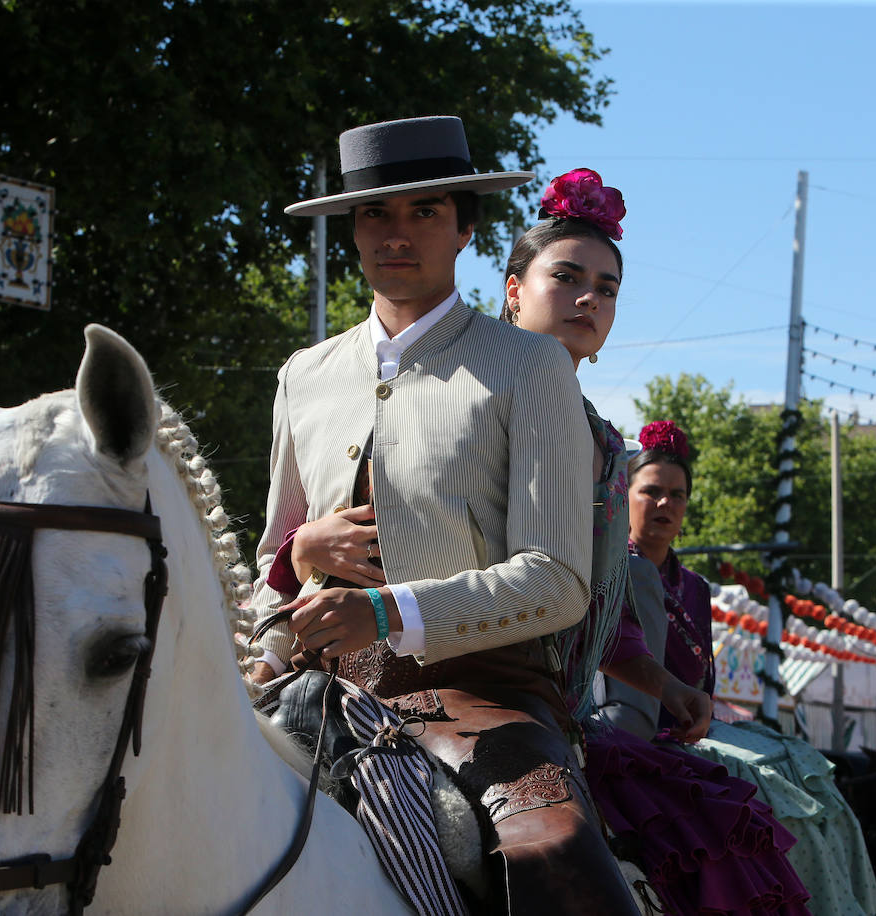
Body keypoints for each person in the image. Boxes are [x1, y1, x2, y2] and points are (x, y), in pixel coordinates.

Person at [248, 117, 637, 914]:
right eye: (376, 215)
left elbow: (558, 582)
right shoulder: (304, 374)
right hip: (314, 690)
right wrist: (266, 643)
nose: (397, 234)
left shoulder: (528, 366)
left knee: (559, 855)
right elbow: (271, 566)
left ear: (466, 230)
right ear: (352, 230)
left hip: (484, 694)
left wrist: (386, 612)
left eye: (425, 212)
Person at [502, 170, 810, 915]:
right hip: (467, 699)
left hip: (559, 719)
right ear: (514, 289)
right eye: (566, 277)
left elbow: (601, 612)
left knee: (729, 829)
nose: (589, 300)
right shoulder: (469, 399)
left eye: (606, 289)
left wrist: (667, 686)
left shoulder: (604, 441)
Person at [624, 420, 876, 915]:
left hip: (700, 721)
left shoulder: (694, 587)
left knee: (812, 774)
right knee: (767, 784)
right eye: (650, 491)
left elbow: (706, 682)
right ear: (625, 494)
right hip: (644, 727)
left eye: (677, 495)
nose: (664, 505)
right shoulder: (609, 571)